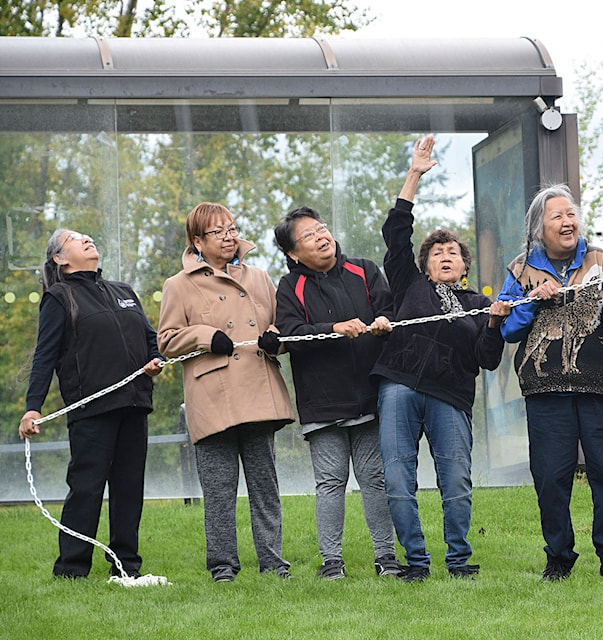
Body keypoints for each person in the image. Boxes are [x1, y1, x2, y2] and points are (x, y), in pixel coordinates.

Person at [371, 135, 510, 582]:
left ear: (464, 267)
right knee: (397, 479)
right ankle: (415, 562)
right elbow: (395, 233)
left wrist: (493, 324)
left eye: (453, 252)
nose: (446, 256)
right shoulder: (409, 285)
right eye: (437, 252)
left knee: (456, 483)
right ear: (425, 265)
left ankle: (458, 561)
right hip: (399, 386)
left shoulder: (477, 304)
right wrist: (414, 174)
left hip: (450, 397)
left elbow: (487, 361)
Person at [497, 184, 603, 582]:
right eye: (557, 216)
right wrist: (532, 301)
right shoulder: (519, 270)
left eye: (571, 215)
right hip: (546, 393)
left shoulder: (601, 259)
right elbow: (507, 329)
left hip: (600, 386)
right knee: (550, 478)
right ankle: (558, 558)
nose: (568, 222)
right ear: (538, 229)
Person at [158, 202, 295, 583]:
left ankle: (273, 561)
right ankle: (223, 565)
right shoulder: (178, 285)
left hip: (258, 391)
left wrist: (275, 340)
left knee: (265, 485)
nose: (229, 235)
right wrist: (205, 337)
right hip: (213, 396)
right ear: (197, 241)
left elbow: (281, 328)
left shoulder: (259, 277)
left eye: (232, 228)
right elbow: (166, 341)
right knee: (218, 491)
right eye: (218, 232)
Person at [18, 229, 163, 579]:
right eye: (75, 237)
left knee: (129, 487)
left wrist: (155, 359)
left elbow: (148, 337)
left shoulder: (123, 292)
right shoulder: (58, 297)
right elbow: (45, 356)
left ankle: (126, 567)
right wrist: (33, 407)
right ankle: (71, 569)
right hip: (91, 409)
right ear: (60, 258)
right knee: (87, 487)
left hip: (134, 402)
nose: (87, 239)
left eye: (87, 236)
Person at [273, 206, 400, 581]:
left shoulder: (364, 269)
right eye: (309, 235)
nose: (321, 236)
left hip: (369, 397)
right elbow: (290, 333)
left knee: (375, 479)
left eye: (322, 228)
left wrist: (383, 323)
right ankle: (332, 561)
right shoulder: (289, 287)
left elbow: (391, 310)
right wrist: (334, 328)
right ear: (294, 253)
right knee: (330, 482)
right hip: (323, 403)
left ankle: (387, 557)